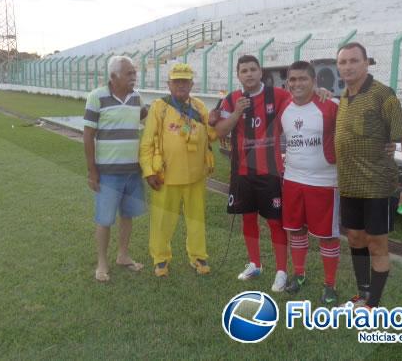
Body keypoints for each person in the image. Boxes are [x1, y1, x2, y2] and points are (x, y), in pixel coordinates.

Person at [335, 42, 402, 308]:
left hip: (376, 187)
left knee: (376, 245)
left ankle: (374, 305)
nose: (348, 66)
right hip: (349, 186)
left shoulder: (383, 94)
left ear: (366, 63)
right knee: (355, 239)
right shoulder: (343, 97)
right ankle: (363, 295)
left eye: (353, 61)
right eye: (343, 62)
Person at [214, 54, 291, 292]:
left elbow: (302, 100)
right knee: (248, 218)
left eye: (252, 69)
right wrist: (236, 113)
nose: (248, 74)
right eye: (244, 70)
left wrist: (319, 90)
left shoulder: (278, 95)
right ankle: (255, 264)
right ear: (238, 75)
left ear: (260, 72)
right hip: (242, 172)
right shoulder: (231, 100)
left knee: (275, 221)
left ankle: (281, 271)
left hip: (270, 171)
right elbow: (219, 132)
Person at [139, 63, 216, 277]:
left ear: (192, 83)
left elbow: (212, 134)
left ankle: (198, 256)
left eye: (185, 81)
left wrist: (222, 119)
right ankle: (160, 258)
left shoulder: (200, 107)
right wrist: (149, 171)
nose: (181, 85)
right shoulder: (159, 108)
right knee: (162, 221)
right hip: (166, 177)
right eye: (177, 81)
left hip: (195, 176)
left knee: (196, 219)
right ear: (169, 84)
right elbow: (147, 142)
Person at [280, 61, 341, 304]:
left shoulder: (330, 105)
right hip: (293, 180)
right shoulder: (284, 105)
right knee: (296, 230)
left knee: (327, 236)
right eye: (292, 80)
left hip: (324, 182)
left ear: (314, 82)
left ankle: (329, 284)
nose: (297, 84)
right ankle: (299, 274)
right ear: (287, 83)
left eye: (302, 79)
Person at [83, 55, 146, 282]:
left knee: (127, 215)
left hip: (133, 171)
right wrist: (92, 171)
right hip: (108, 173)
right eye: (128, 73)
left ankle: (123, 255)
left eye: (133, 72)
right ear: (113, 76)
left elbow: (149, 120)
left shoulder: (137, 98)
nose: (133, 76)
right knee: (104, 219)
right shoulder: (96, 97)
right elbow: (88, 135)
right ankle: (102, 263)